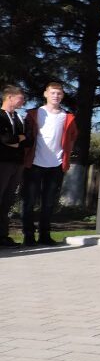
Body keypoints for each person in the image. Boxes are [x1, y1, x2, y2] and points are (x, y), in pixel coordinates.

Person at [21, 82, 78, 246]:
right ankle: (29, 236)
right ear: (45, 94)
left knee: (48, 203)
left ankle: (45, 235)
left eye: (59, 93)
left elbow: (73, 137)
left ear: (62, 96)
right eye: (52, 93)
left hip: (56, 165)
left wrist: (66, 156)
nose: (56, 96)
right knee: (29, 201)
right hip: (34, 164)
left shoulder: (67, 116)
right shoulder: (35, 113)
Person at [0, 85, 30, 247]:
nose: (23, 100)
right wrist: (18, 139)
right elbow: (5, 140)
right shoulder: (1, 116)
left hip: (17, 164)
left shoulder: (19, 117)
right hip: (3, 163)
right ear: (10, 98)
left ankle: (3, 235)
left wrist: (17, 139)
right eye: (20, 97)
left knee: (7, 200)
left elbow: (27, 139)